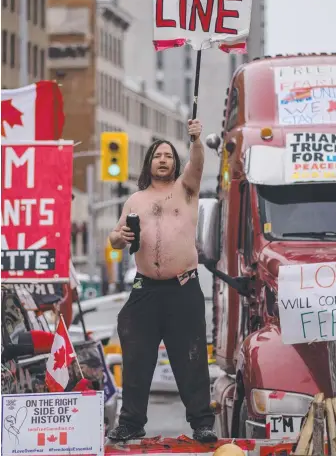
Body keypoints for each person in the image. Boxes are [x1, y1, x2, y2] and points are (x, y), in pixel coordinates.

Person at [107, 119, 216, 443]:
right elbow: (115, 238)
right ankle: (131, 422)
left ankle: (201, 423)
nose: (164, 159)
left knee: (192, 357)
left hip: (183, 287)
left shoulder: (186, 189)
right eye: (158, 155)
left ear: (175, 162)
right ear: (149, 162)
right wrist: (118, 236)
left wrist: (195, 139)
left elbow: (197, 162)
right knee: (137, 358)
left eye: (169, 155)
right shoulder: (135, 200)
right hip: (145, 288)